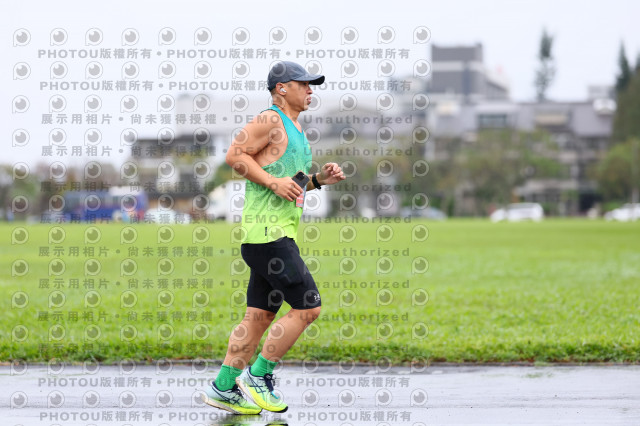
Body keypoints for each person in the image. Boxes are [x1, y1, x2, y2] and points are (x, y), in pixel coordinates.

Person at [202, 61, 346, 415]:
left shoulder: (296, 130)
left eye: (312, 85)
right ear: (282, 88)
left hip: (269, 236)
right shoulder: (270, 119)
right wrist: (271, 182)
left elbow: (289, 184)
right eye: (304, 84)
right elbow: (234, 155)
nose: (310, 90)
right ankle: (259, 376)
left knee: (259, 318)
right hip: (269, 236)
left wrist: (318, 181)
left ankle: (223, 387)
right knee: (308, 306)